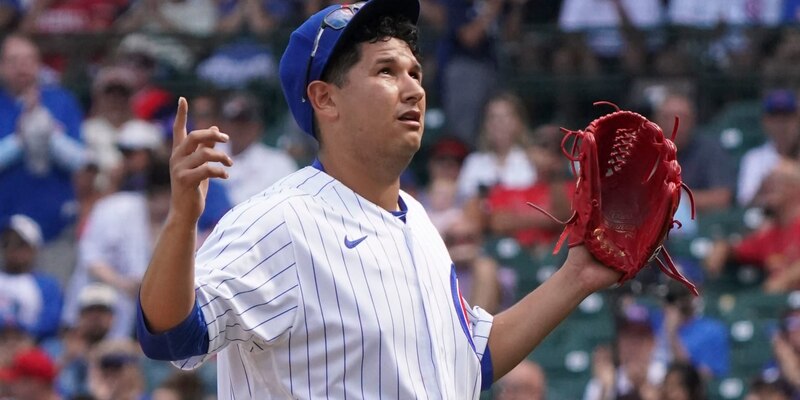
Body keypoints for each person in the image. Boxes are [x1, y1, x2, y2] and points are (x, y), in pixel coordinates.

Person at [135, 1, 623, 398]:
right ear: (325, 99)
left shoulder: (419, 222)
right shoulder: (280, 221)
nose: (413, 88)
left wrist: (575, 277)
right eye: (387, 70)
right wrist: (181, 222)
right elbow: (171, 334)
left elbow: (468, 364)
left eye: (415, 71)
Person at [0, 34, 87, 243]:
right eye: (14, 61)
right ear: (1, 66)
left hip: (55, 222)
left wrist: (47, 132)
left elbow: (81, 160)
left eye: (29, 60)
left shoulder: (61, 100)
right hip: (4, 225)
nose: (23, 67)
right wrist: (19, 140)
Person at [705, 159, 800, 292]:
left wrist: (788, 278)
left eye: (778, 181)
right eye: (768, 181)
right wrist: (724, 248)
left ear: (796, 188)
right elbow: (741, 249)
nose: (769, 187)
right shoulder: (771, 232)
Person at [216, 91, 298, 205]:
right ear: (224, 125)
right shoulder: (208, 156)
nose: (240, 128)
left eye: (246, 122)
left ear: (258, 126)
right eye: (235, 122)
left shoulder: (278, 163)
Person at [0, 214, 63, 341]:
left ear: (34, 249)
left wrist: (21, 335)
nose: (13, 249)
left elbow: (51, 322)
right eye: (8, 243)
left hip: (33, 345)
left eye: (20, 244)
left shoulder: (47, 285)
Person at [738, 89, 800, 207]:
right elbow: (746, 204)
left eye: (786, 118)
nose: (781, 125)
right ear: (765, 121)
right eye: (775, 118)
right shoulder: (754, 158)